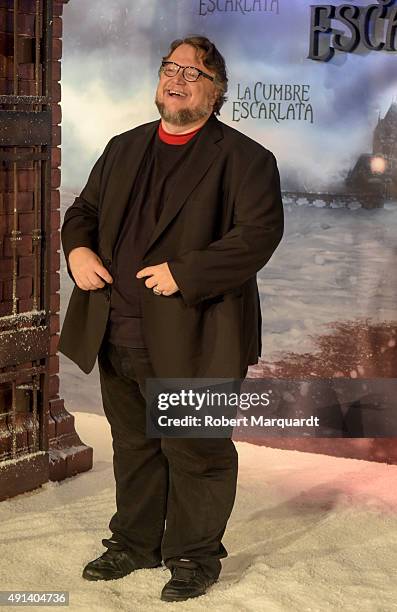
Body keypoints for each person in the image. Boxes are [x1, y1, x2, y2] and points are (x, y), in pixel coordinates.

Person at [59, 35, 284, 602]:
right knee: (134, 445)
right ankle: (134, 544)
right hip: (117, 330)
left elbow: (257, 236)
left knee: (197, 451)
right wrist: (77, 251)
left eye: (193, 71)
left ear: (217, 91)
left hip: (200, 336)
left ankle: (193, 556)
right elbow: (82, 212)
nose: (176, 78)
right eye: (169, 68)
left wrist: (186, 272)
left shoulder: (247, 159)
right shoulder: (123, 147)